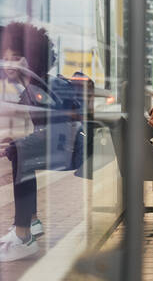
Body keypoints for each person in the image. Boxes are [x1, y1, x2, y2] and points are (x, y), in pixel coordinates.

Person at [0, 22, 82, 262]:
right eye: (6, 58)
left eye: (17, 57)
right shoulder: (31, 87)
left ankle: (24, 236)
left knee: (21, 154)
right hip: (69, 146)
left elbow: (60, 128)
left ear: (33, 57)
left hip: (75, 150)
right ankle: (31, 222)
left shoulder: (40, 86)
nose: (10, 64)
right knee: (20, 152)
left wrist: (19, 146)